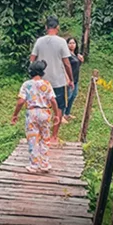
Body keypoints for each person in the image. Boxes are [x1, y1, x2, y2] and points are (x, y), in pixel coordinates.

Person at [30, 16, 74, 144]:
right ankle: (54, 136)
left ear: (46, 27)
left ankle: (41, 135)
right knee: (59, 108)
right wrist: (70, 79)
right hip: (58, 82)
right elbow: (67, 63)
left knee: (41, 107)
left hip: (41, 81)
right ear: (57, 27)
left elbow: (32, 59)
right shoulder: (61, 42)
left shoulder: (39, 41)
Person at [11, 60, 60, 173]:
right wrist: (57, 115)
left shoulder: (26, 84)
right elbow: (53, 100)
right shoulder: (46, 84)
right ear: (42, 72)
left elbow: (20, 101)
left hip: (32, 113)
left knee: (33, 138)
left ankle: (34, 165)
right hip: (45, 112)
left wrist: (15, 115)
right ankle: (45, 164)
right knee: (45, 137)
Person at [63, 37, 84, 123]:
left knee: (73, 96)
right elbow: (64, 67)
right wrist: (67, 78)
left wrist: (81, 61)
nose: (72, 45)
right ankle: (62, 115)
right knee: (67, 97)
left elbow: (76, 67)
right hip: (69, 79)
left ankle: (67, 113)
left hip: (75, 79)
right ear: (66, 44)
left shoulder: (75, 54)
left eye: (74, 43)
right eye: (70, 43)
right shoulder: (66, 55)